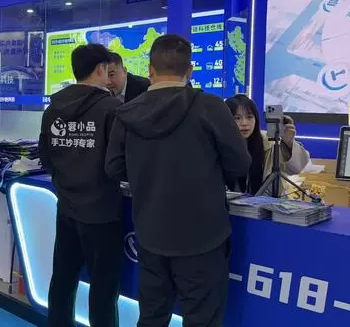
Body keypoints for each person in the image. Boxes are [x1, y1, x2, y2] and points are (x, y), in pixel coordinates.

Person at [105, 34, 251, 327]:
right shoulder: (210, 106)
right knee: (202, 319)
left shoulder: (128, 112)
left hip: (150, 234)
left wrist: (147, 174)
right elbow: (239, 163)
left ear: (150, 70)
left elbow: (114, 168)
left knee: (152, 317)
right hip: (203, 237)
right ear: (190, 70)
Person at [39, 44, 123, 327]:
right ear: (100, 69)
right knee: (103, 289)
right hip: (103, 212)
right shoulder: (112, 109)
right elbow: (119, 163)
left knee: (63, 280)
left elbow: (46, 158)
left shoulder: (54, 109)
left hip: (67, 207)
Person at [225, 94, 310, 195]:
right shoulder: (218, 145)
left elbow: (296, 168)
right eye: (237, 118)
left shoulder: (270, 143)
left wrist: (289, 142)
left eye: (249, 117)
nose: (244, 123)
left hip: (267, 203)